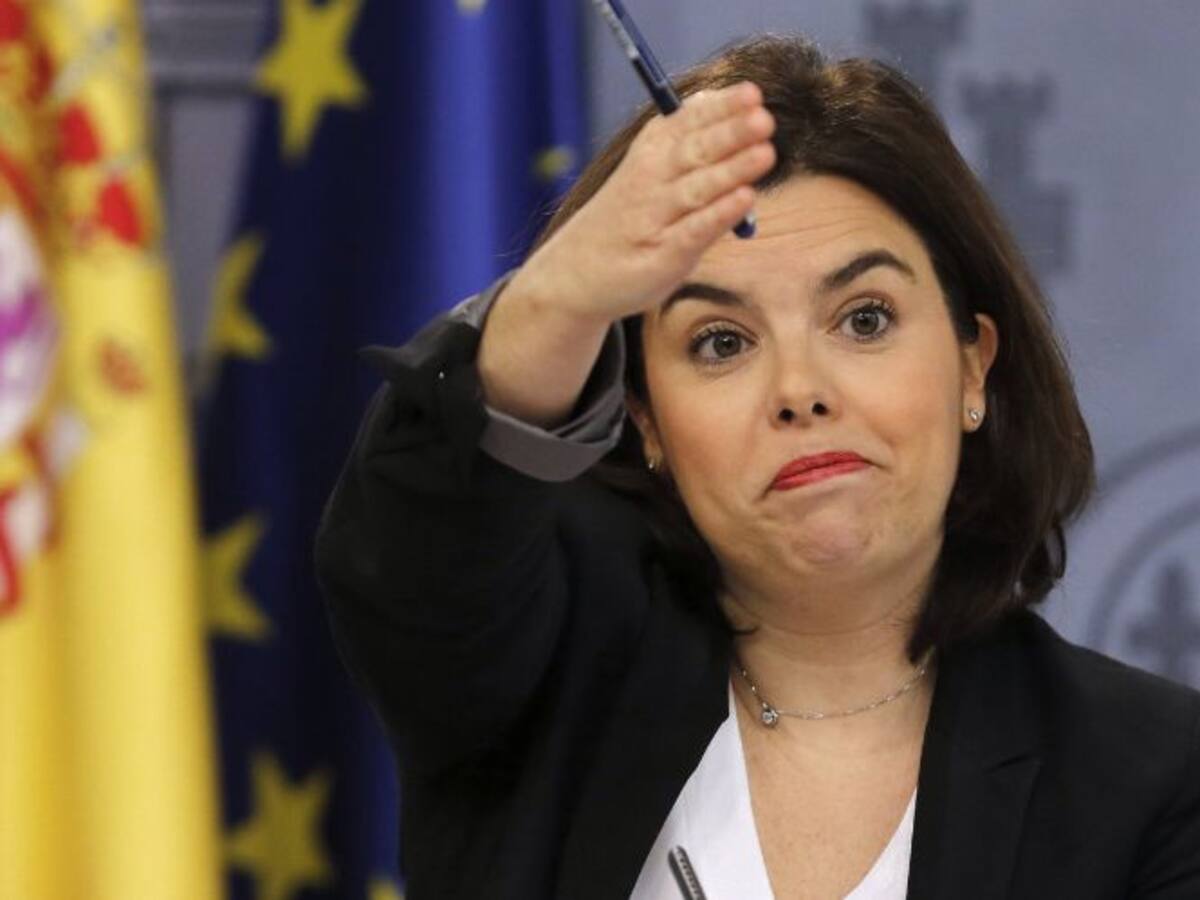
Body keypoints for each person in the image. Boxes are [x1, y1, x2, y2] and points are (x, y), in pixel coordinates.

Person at [314, 34, 1200, 899]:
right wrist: (557, 302)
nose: (799, 391)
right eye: (721, 342)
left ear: (973, 369)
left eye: (864, 320)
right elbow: (416, 554)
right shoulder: (538, 676)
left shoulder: (1153, 779)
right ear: (646, 421)